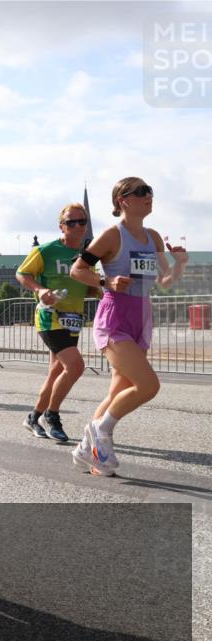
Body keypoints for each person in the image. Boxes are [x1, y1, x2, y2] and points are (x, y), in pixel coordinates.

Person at [70, 177, 189, 477]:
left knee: (118, 392)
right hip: (115, 318)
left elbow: (164, 282)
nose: (148, 195)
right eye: (141, 192)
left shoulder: (154, 237)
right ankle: (101, 431)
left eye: (150, 191)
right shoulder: (113, 235)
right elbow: (77, 269)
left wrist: (181, 264)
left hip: (142, 317)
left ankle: (87, 451)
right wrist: (104, 281)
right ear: (123, 200)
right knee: (148, 385)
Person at [15, 204, 94, 442]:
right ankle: (52, 415)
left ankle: (33, 417)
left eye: (82, 221)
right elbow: (22, 274)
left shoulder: (88, 255)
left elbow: (88, 284)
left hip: (74, 318)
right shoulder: (46, 250)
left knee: (56, 371)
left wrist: (105, 289)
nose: (77, 226)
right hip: (50, 316)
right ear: (62, 226)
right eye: (71, 222)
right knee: (75, 366)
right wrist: (40, 290)